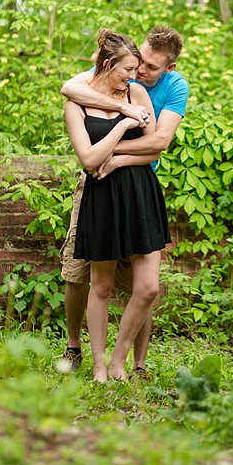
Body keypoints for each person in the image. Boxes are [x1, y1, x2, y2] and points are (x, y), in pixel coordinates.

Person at [58, 26, 188, 377]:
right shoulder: (86, 93)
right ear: (108, 63)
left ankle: (128, 360)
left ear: (167, 68)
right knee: (90, 280)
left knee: (146, 287)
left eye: (145, 67)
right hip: (99, 191)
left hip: (139, 188)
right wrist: (121, 119)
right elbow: (86, 156)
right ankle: (93, 359)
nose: (137, 74)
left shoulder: (154, 90)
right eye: (131, 67)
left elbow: (156, 145)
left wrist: (114, 156)